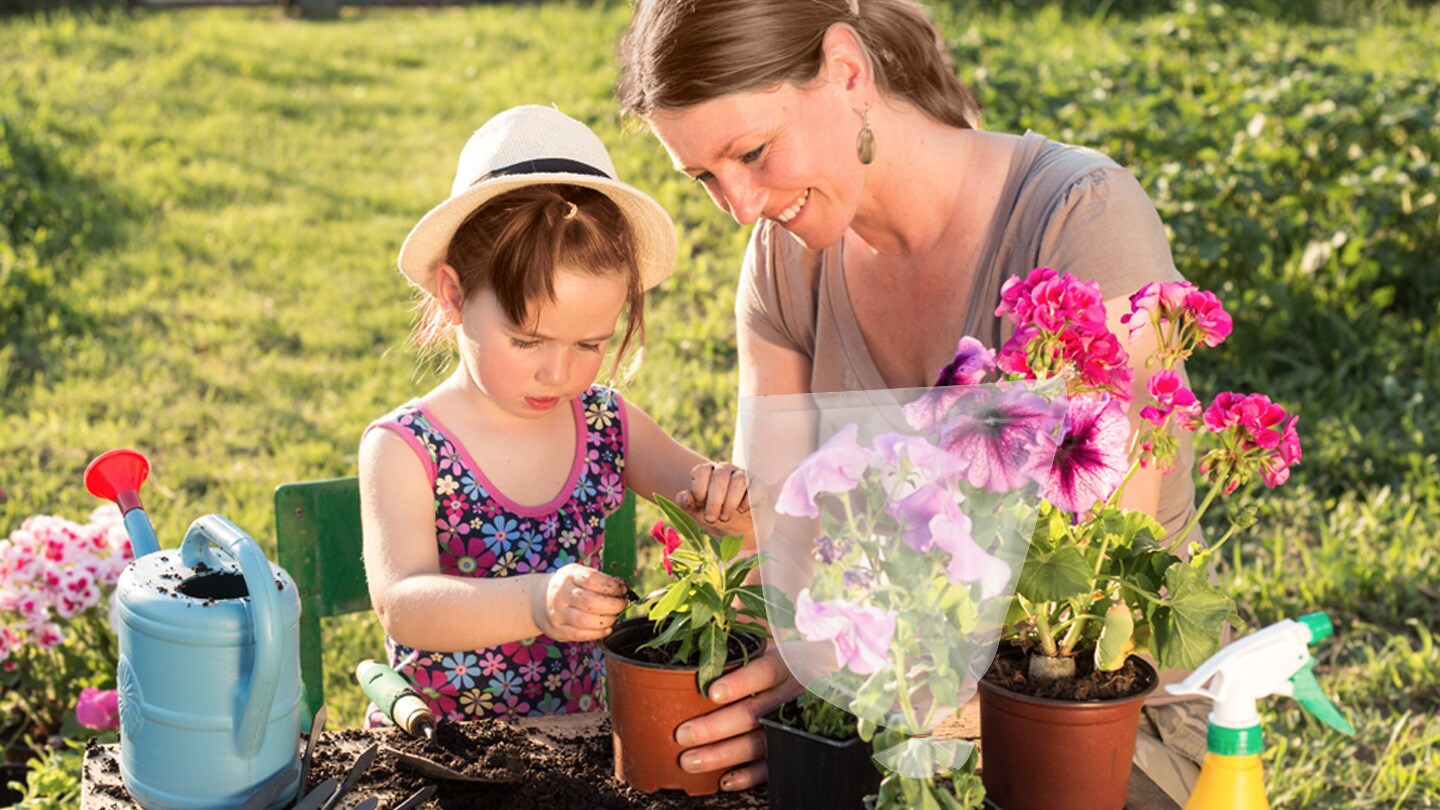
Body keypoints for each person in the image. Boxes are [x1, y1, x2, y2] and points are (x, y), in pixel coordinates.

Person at [615, 0, 1208, 798]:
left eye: (753, 152)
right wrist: (798, 690)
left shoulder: (1081, 218)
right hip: (893, 708)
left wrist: (879, 711)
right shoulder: (782, 261)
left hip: (1093, 724)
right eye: (705, 179)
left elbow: (1095, 584)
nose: (742, 205)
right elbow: (783, 553)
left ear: (848, 73)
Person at [360, 105, 752, 725]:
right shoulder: (407, 448)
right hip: (444, 751)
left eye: (590, 344)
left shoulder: (605, 424)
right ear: (454, 295)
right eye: (527, 340)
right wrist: (536, 603)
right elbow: (404, 605)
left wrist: (728, 498)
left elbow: (716, 508)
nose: (559, 374)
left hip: (582, 742)